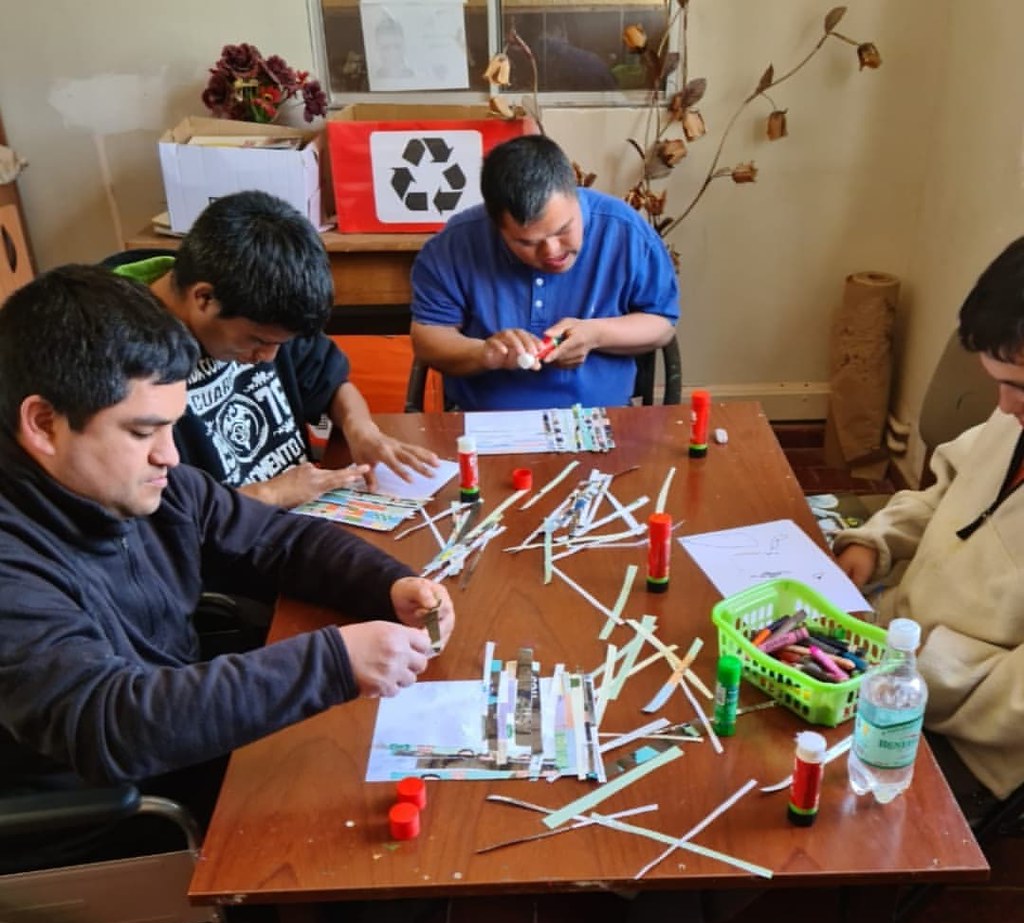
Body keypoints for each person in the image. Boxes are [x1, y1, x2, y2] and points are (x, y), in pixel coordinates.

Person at [0, 265, 454, 821]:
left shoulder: (144, 484)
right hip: (121, 816)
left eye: (171, 427)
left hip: (187, 747)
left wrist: (389, 584)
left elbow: (278, 540)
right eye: (143, 432)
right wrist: (332, 662)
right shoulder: (12, 564)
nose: (169, 454)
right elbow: (110, 723)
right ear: (44, 424)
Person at [834, 235, 1024, 820]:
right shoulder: (1013, 417)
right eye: (999, 383)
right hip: (890, 653)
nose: (1006, 407)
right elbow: (947, 492)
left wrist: (908, 678)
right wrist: (875, 543)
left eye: (1019, 388)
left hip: (965, 733)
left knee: (802, 798)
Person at [111, 190, 438, 509]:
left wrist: (360, 428)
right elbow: (156, 521)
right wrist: (270, 494)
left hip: (299, 520)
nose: (268, 358)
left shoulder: (264, 304)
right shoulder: (118, 360)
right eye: (258, 341)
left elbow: (331, 380)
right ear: (204, 299)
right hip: (225, 544)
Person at [410, 135, 679, 412]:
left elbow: (662, 324)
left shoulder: (625, 231)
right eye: (526, 242)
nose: (552, 251)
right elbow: (428, 340)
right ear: (496, 224)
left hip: (602, 417)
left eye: (563, 230)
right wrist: (484, 354)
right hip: (485, 421)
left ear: (574, 192)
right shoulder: (453, 245)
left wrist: (597, 334)